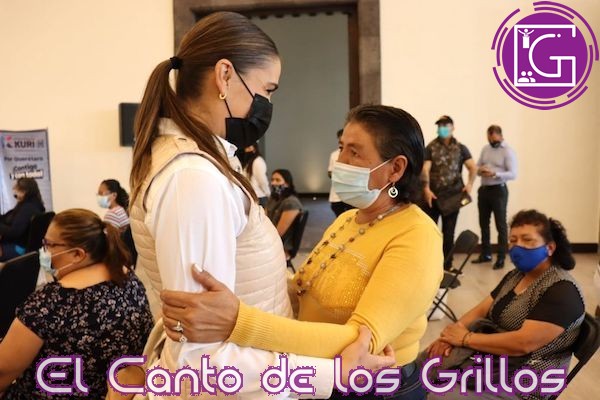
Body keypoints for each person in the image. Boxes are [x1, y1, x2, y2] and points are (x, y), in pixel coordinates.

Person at [128, 12, 393, 399]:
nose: (268, 103)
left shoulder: (204, 162)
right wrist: (332, 374)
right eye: (267, 89)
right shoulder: (193, 178)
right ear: (225, 76)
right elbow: (201, 362)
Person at [159, 105, 444, 400]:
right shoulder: (347, 220)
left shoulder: (417, 235)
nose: (339, 163)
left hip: (377, 387)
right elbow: (302, 289)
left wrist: (237, 322)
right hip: (325, 376)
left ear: (395, 169)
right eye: (341, 148)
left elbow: (358, 341)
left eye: (355, 153)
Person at [424, 210, 584, 400]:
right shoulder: (516, 276)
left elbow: (523, 344)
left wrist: (465, 338)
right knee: (426, 360)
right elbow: (481, 310)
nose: (518, 246)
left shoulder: (562, 290)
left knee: (439, 396)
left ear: (549, 248)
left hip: (525, 381)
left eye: (527, 240)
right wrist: (450, 336)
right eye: (513, 240)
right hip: (494, 363)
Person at [0, 209, 153, 399]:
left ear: (77, 254)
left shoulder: (49, 304)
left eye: (49, 245)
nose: (44, 252)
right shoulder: (129, 280)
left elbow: (3, 372)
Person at [421, 115, 477, 270]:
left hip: (453, 197)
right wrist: (426, 189)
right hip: (433, 196)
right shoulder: (430, 147)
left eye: (445, 125)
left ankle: (447, 265)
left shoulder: (460, 148)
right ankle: (430, 265)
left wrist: (470, 184)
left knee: (449, 232)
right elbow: (425, 169)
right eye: (440, 126)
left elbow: (473, 167)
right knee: (430, 232)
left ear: (453, 128)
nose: (442, 128)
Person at [472, 125, 518, 269]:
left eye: (493, 138)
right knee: (483, 223)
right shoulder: (485, 149)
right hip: (484, 190)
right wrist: (480, 170)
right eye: (489, 138)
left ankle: (501, 257)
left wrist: (495, 174)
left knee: (500, 224)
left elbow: (513, 174)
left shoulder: (507, 151)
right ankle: (486, 254)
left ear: (500, 135)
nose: (491, 141)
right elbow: (476, 168)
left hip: (499, 190)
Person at [0, 178, 45, 261]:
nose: (14, 192)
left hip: (19, 248)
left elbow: (13, 232)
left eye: (16, 190)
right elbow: (9, 216)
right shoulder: (35, 204)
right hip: (25, 246)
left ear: (24, 191)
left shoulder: (28, 208)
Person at [265, 168, 303, 255]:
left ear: (287, 183)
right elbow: (264, 219)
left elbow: (278, 233)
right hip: (269, 239)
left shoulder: (291, 203)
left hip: (281, 245)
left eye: (278, 180)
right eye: (272, 180)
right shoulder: (274, 198)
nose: (273, 183)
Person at [328, 129, 354, 216]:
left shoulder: (356, 154)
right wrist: (338, 174)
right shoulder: (334, 155)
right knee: (339, 215)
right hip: (336, 194)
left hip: (351, 193)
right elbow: (330, 172)